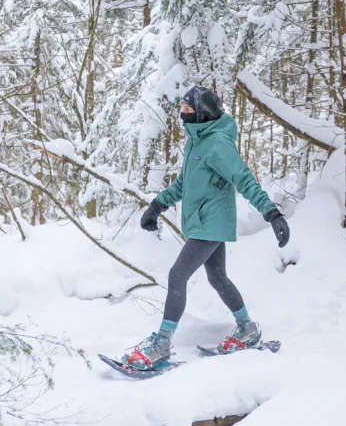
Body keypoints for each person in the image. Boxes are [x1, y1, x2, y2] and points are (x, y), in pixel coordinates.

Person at [121, 85, 290, 373]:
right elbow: (184, 183)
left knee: (178, 275)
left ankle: (162, 343)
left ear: (203, 112)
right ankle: (247, 328)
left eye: (188, 109)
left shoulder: (218, 145)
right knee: (218, 277)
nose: (182, 114)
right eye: (182, 109)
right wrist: (157, 206)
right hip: (203, 221)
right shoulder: (196, 142)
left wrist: (271, 213)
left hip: (212, 221)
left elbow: (244, 179)